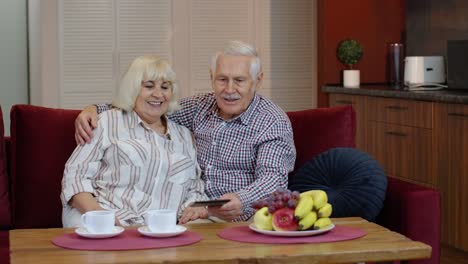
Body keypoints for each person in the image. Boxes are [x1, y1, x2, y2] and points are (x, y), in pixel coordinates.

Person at [75, 41, 296, 222]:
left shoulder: (272, 120)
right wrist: (94, 109)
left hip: (241, 216)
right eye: (222, 79)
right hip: (192, 212)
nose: (229, 90)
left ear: (257, 80)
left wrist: (241, 199)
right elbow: (150, 107)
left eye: (239, 80)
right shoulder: (200, 106)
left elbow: (273, 180)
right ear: (212, 77)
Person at [61, 55, 208, 227]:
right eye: (149, 86)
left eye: (165, 87)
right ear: (133, 88)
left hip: (162, 228)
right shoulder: (107, 122)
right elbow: (75, 174)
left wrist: (194, 206)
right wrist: (98, 214)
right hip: (105, 221)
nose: (158, 94)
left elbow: (195, 187)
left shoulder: (184, 136)